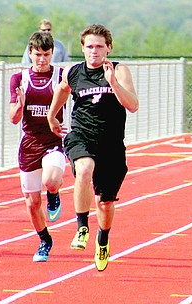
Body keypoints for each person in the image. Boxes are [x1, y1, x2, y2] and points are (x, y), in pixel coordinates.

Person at [47, 24, 139, 271]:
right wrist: (52, 115)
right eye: (89, 46)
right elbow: (62, 90)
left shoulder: (118, 71)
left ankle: (103, 238)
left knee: (105, 203)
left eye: (99, 46)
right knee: (84, 169)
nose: (94, 51)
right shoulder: (73, 72)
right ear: (83, 48)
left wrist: (113, 84)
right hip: (81, 135)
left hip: (111, 143)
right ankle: (81, 227)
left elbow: (133, 105)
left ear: (109, 48)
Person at [9, 31, 65, 262]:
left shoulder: (61, 76)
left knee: (50, 180)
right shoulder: (19, 79)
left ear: (52, 54)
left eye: (46, 54)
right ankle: (44, 240)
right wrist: (20, 105)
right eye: (37, 54)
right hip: (29, 143)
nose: (42, 59)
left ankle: (54, 193)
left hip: (54, 140)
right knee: (32, 202)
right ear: (30, 53)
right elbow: (13, 118)